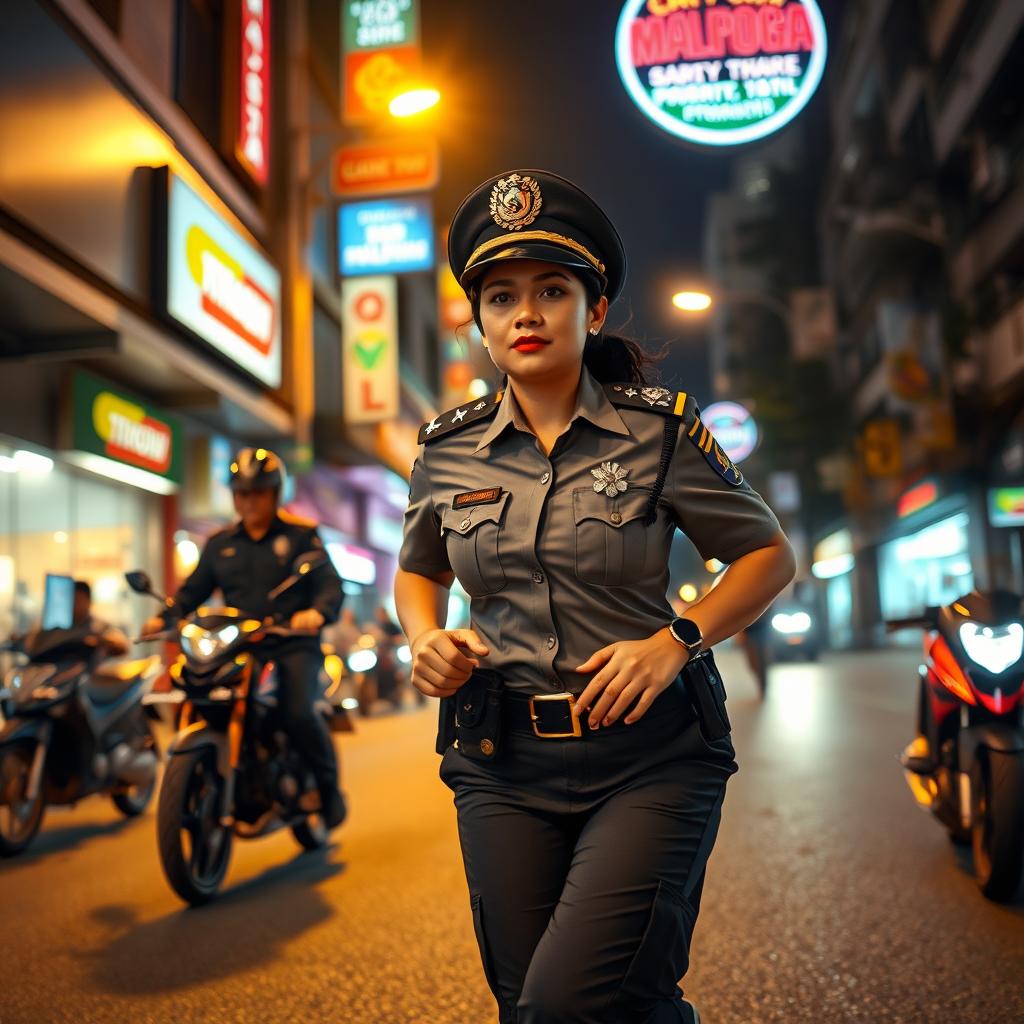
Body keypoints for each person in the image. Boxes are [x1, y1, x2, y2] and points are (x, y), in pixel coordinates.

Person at [394, 170, 796, 1024]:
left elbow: (765, 556)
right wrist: (422, 635)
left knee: (574, 1002)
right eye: (500, 297)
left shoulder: (660, 429)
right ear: (480, 322)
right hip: (500, 761)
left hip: (650, 755)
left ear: (596, 309)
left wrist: (676, 639)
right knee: (522, 1004)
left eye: (552, 291)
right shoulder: (445, 451)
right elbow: (419, 567)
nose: (526, 314)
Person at [144, 448, 347, 828]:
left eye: (258, 492)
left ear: (275, 493)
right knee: (199, 690)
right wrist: (164, 617)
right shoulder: (220, 543)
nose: (249, 501)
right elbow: (193, 591)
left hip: (290, 643)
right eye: (242, 493)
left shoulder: (302, 536)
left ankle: (329, 790)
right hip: (237, 644)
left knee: (298, 712)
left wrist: (316, 612)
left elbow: (328, 585)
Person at [23, 579, 129, 658]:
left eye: (78, 600)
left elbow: (120, 643)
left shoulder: (99, 627)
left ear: (89, 601)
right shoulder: (58, 626)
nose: (74, 604)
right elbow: (33, 647)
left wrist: (102, 642)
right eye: (71, 600)